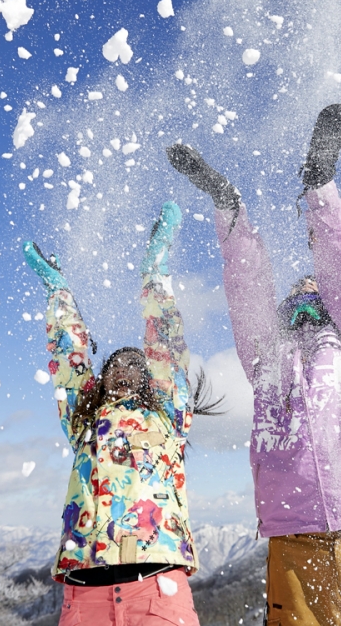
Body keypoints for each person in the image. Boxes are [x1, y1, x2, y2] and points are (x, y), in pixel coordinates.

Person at [166, 105, 341, 626]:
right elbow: (246, 286)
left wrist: (320, 187)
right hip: (293, 526)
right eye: (296, 290)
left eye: (316, 287)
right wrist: (228, 207)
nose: (307, 289)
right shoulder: (267, 355)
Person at [23, 201, 208, 626]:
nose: (123, 370)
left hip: (157, 586)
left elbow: (164, 340)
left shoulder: (168, 417)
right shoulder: (85, 421)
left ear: (152, 380)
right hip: (84, 590)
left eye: (135, 366)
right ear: (102, 381)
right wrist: (58, 291)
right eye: (114, 366)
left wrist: (154, 270)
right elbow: (69, 358)